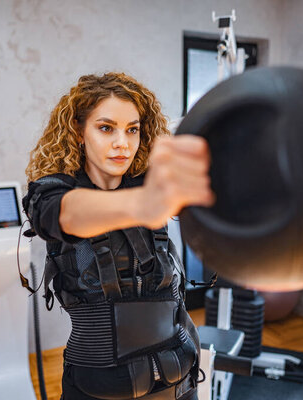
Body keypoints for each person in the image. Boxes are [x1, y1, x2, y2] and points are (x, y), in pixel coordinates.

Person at [22, 72, 214, 400]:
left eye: (132, 130)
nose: (122, 143)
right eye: (106, 128)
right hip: (98, 386)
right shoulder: (51, 191)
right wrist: (142, 205)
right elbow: (68, 213)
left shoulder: (148, 181)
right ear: (79, 132)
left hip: (180, 378)